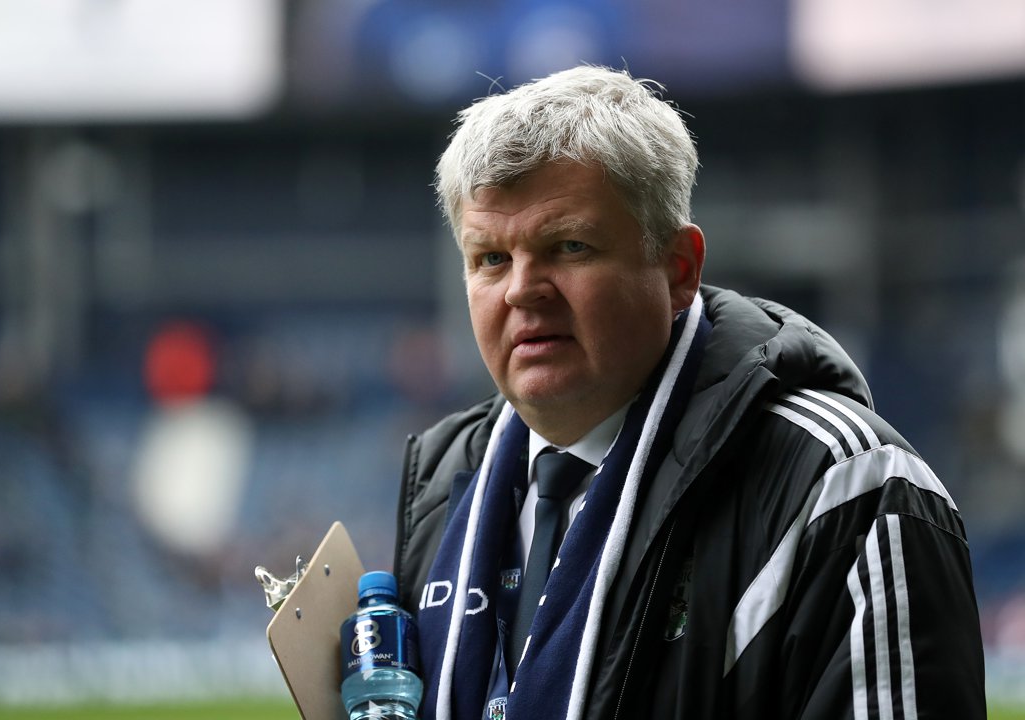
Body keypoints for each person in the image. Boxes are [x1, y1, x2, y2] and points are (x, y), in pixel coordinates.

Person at [392, 65, 985, 720]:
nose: (522, 290)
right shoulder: (445, 482)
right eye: (491, 259)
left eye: (569, 246)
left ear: (678, 270)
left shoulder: (845, 486)